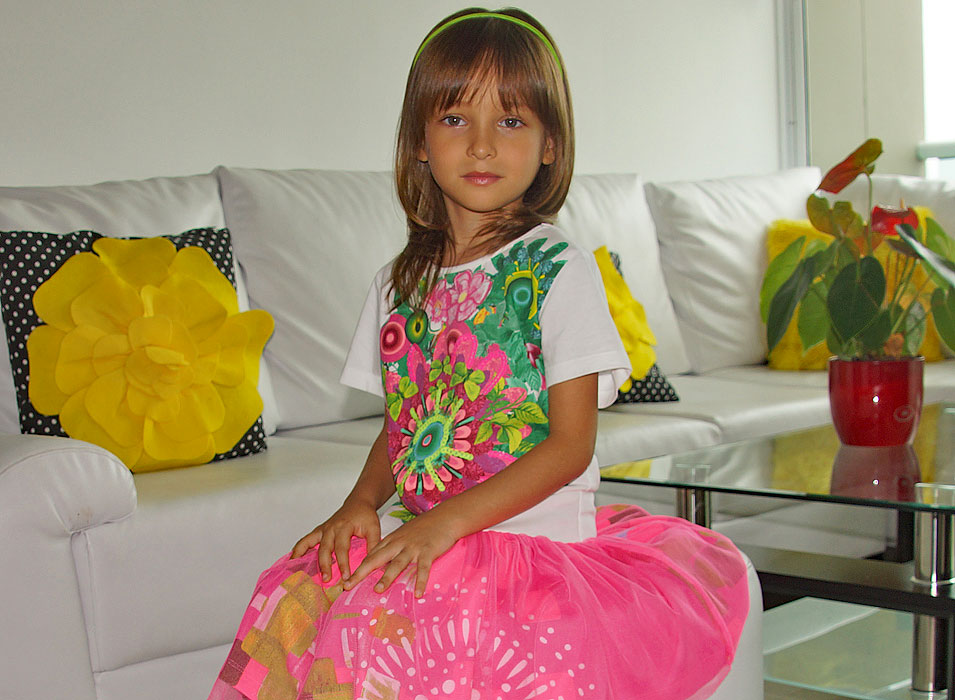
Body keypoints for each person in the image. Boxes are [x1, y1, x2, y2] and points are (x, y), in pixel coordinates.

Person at [208, 8, 749, 699]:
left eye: (513, 121)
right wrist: (360, 504)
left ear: (550, 144)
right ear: (418, 144)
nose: (484, 145)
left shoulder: (555, 269)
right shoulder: (397, 284)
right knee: (308, 609)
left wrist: (444, 524)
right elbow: (403, 428)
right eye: (456, 120)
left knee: (453, 644)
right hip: (430, 534)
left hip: (534, 548)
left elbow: (570, 446)